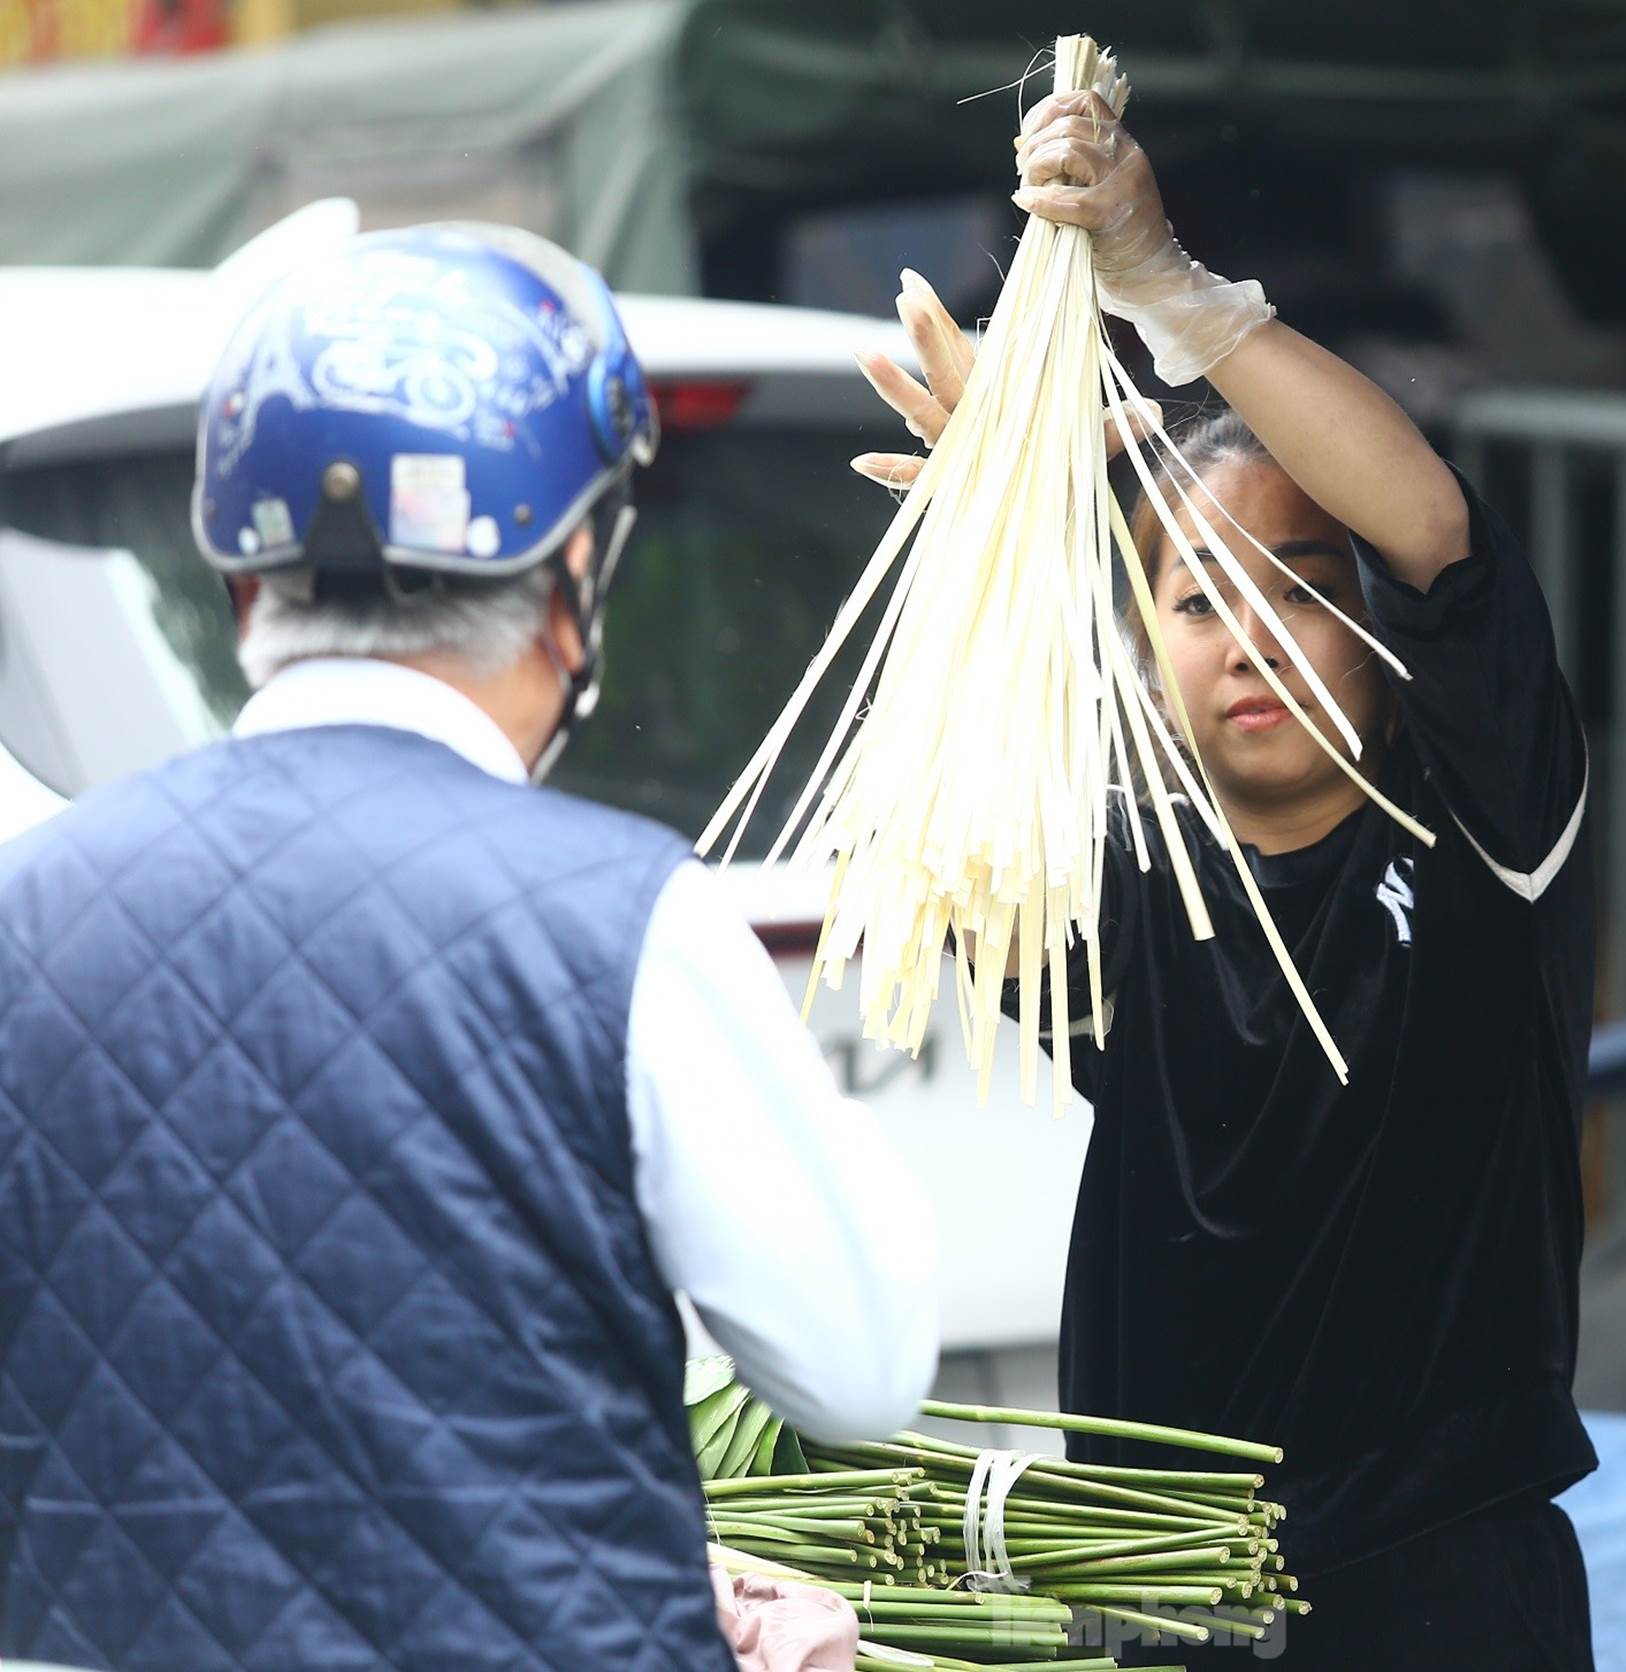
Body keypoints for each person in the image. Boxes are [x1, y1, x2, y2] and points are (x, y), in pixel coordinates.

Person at [0, 224, 939, 1671]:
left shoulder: (25, 910)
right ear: (576, 567)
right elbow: (862, 1372)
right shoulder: (622, 915)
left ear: (244, 583)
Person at [849, 95, 1599, 1669]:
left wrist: (1162, 281)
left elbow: (1432, 528)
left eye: (1296, 590)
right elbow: (956, 789)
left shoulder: (1481, 842)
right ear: (1143, 650)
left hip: (1439, 1579)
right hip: (1168, 1591)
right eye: (1195, 600)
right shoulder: (1126, 905)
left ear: (1385, 646)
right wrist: (1007, 515)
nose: (1246, 635)